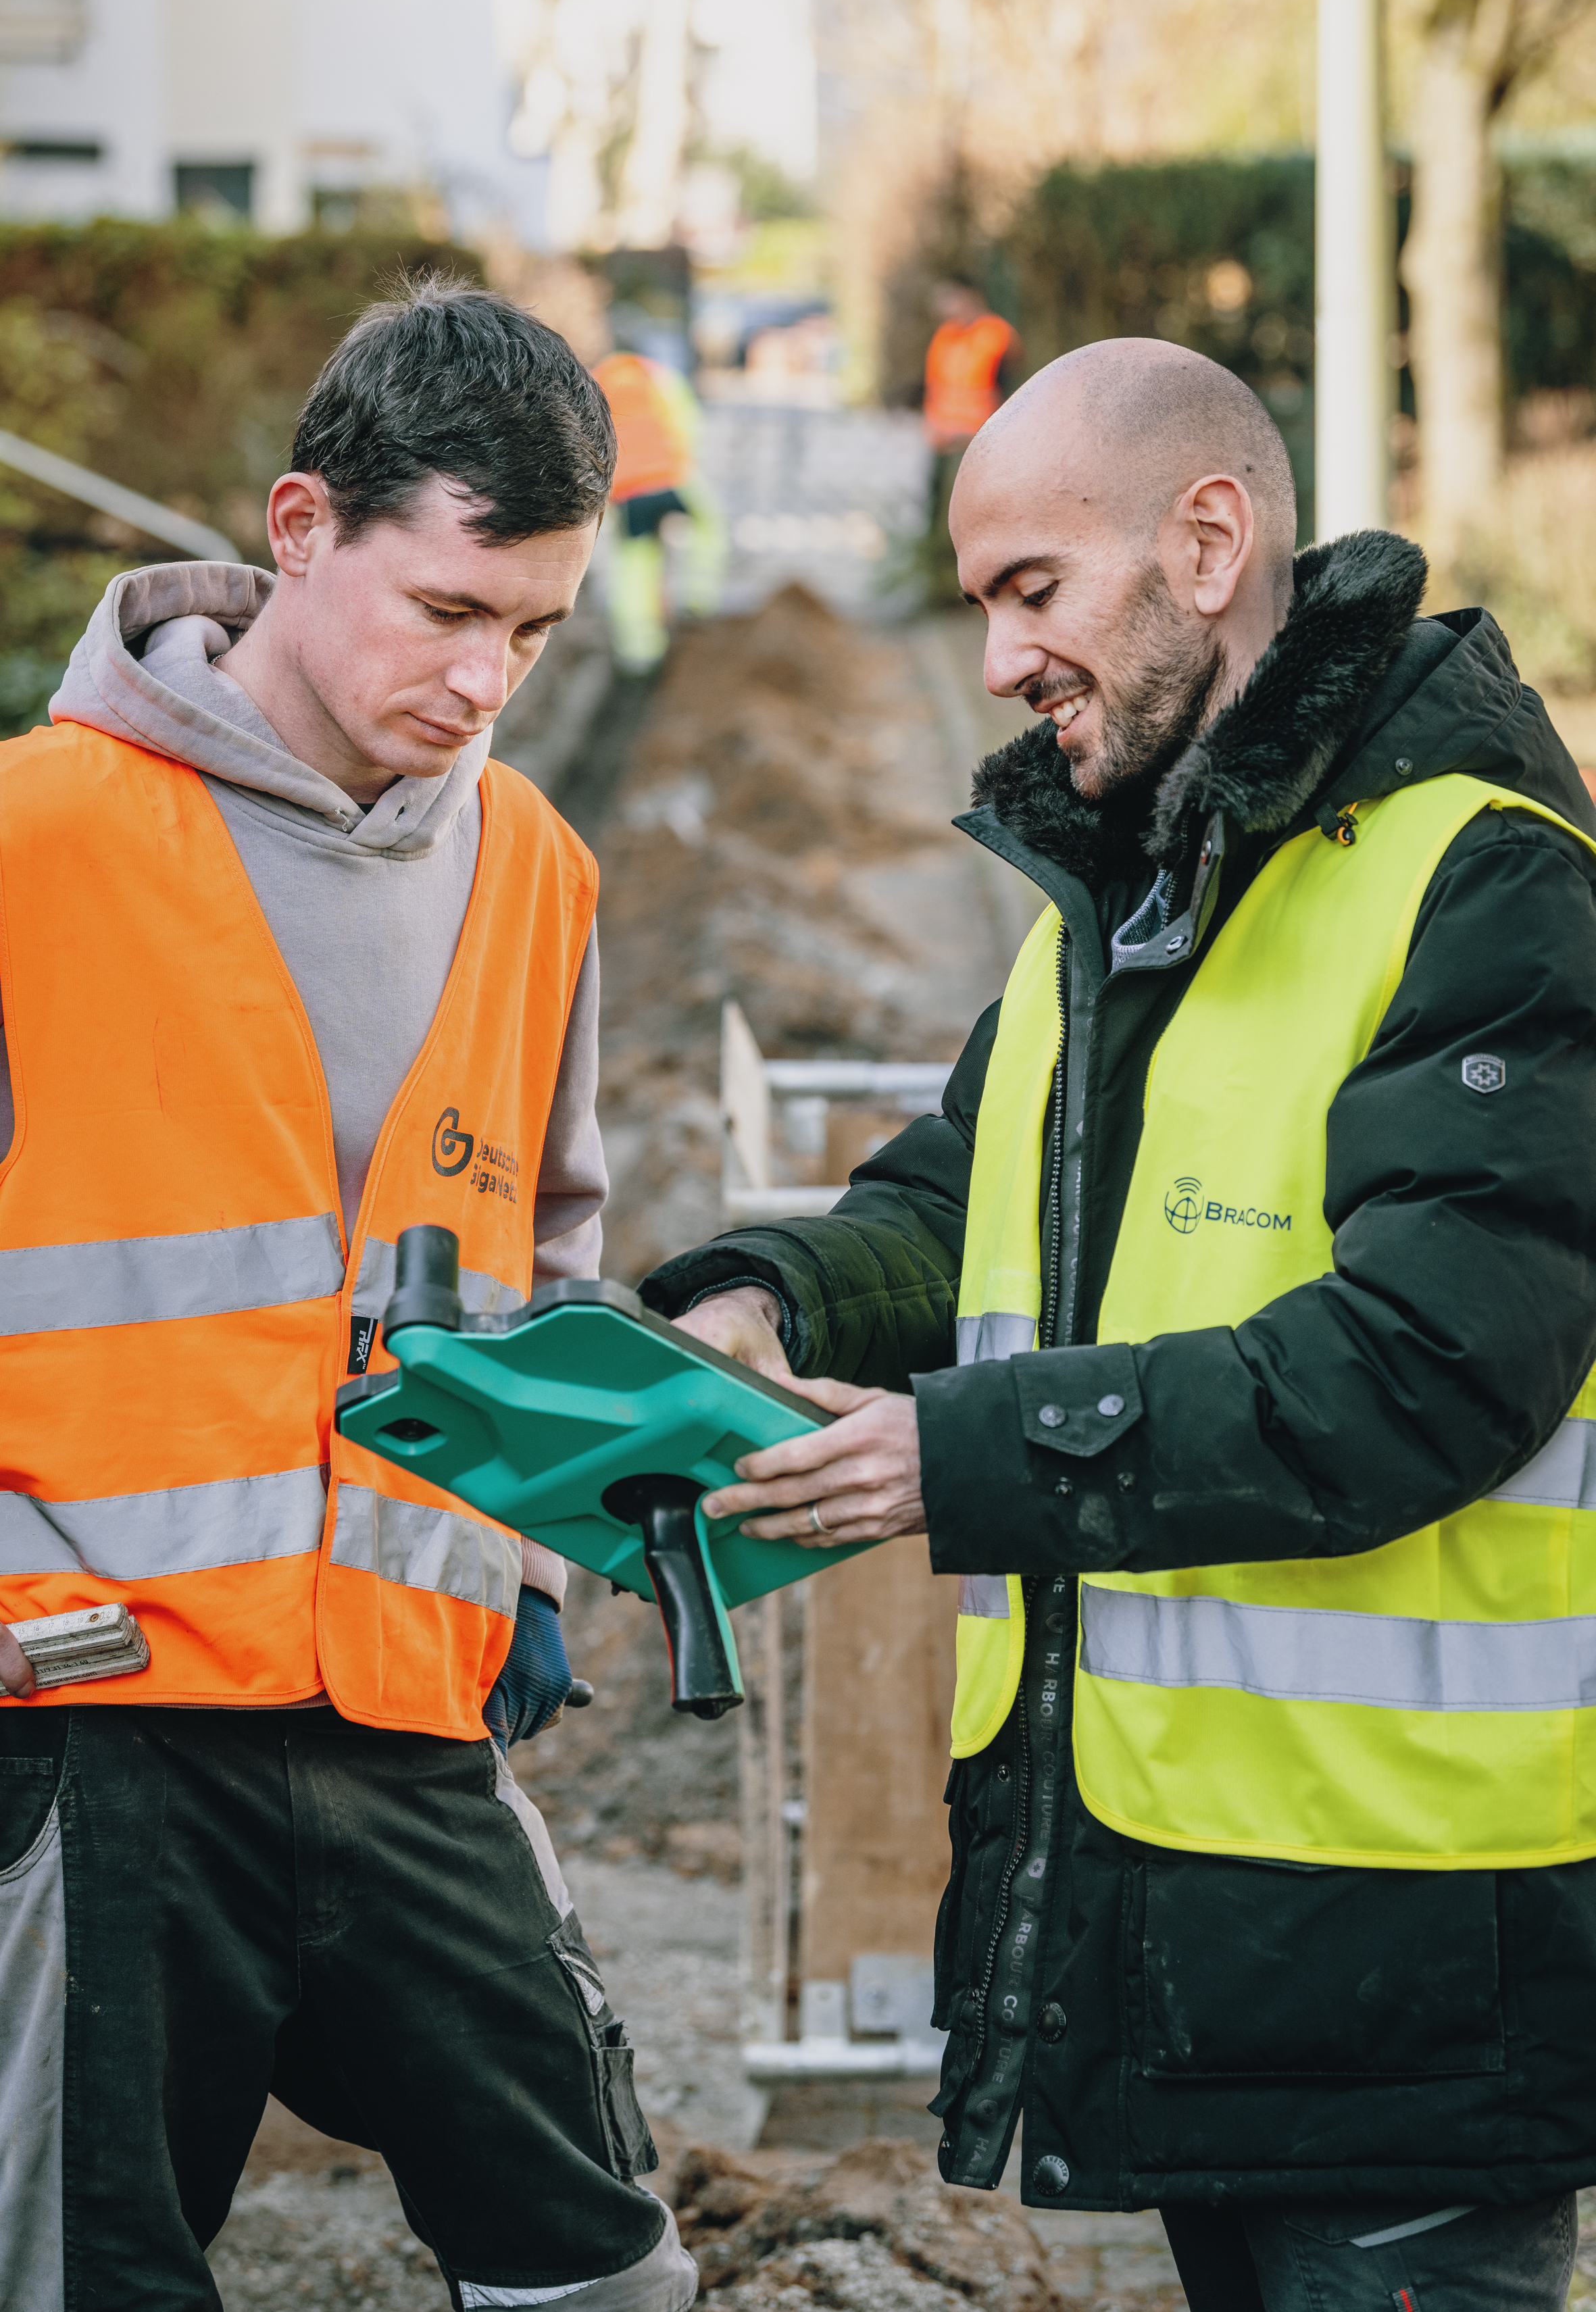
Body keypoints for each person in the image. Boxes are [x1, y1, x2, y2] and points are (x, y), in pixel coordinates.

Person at [643, 337, 1596, 2311]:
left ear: (1209, 539)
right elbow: (961, 1194)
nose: (995, 660)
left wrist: (959, 1453)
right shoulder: (1127, 893)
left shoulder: (1483, 881)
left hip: (1412, 1981)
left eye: (1028, 588)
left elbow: (1427, 1369)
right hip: (1199, 1963)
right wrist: (765, 1294)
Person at [0, 280, 698, 2312]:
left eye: (536, 630)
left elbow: (538, 1265)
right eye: (448, 610)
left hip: (405, 1701)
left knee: (600, 2266)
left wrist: (531, 1582)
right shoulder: (37, 840)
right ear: (302, 530)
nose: (488, 676)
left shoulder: (534, 868)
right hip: (93, 1707)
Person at [591, 343, 725, 673]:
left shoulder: (596, 382)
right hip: (670, 478)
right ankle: (698, 600)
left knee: (636, 564)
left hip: (627, 491)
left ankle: (639, 649)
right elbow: (687, 425)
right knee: (711, 530)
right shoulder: (659, 377)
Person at [920, 276, 1022, 598]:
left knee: (972, 519)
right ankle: (939, 586)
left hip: (976, 444)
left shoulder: (997, 336)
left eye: (952, 298)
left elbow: (1010, 391)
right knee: (939, 516)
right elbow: (937, 386)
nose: (946, 307)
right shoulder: (946, 336)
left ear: (971, 296)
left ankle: (968, 587)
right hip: (942, 442)